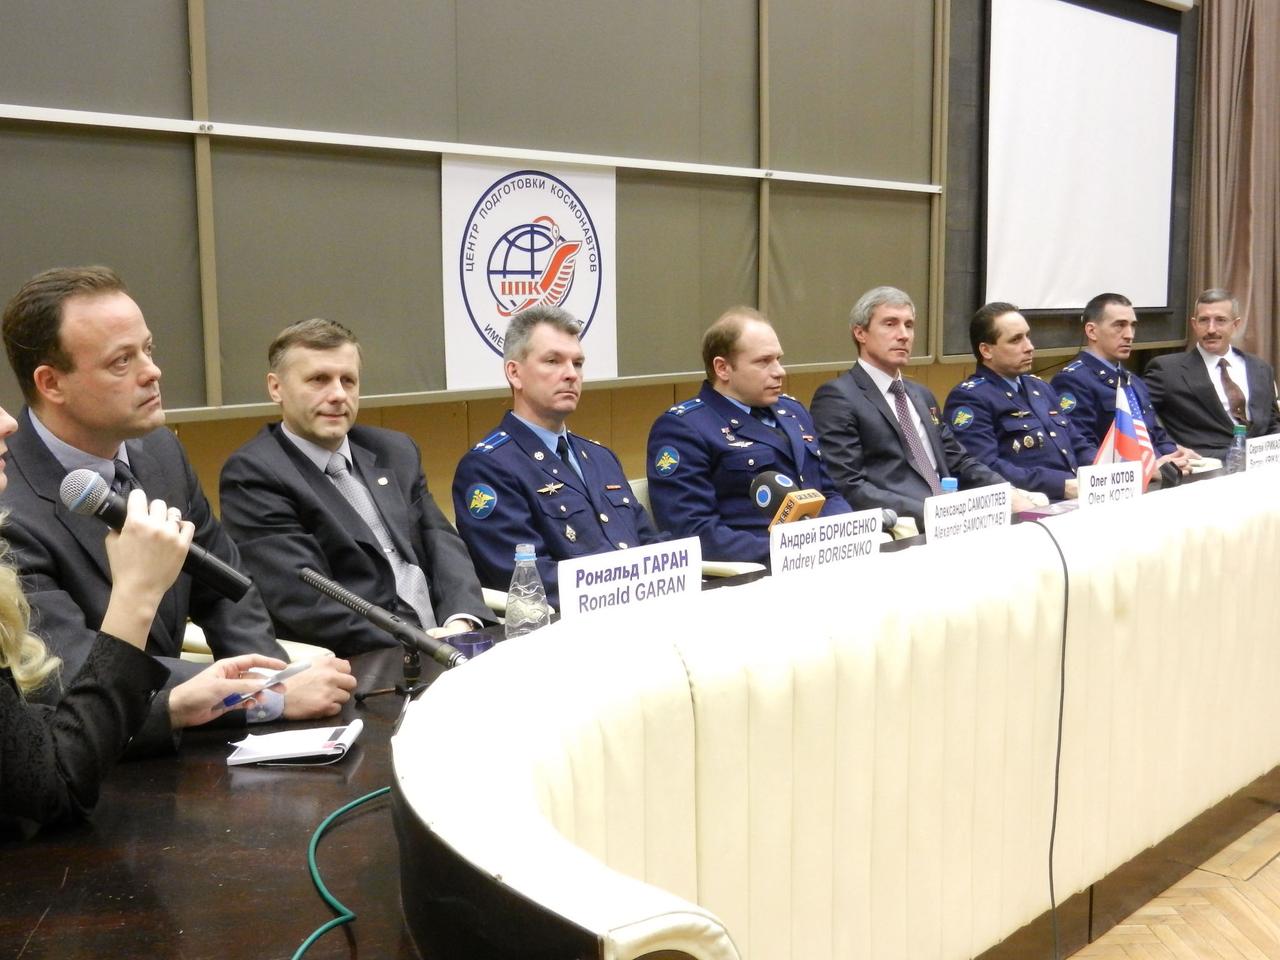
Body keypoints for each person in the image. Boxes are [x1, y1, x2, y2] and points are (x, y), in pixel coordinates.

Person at [0, 266, 354, 754]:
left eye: (148, 348)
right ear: (51, 383)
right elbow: (70, 671)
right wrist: (260, 695)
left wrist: (273, 680)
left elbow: (227, 587)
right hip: (88, 763)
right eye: (122, 361)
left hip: (193, 745)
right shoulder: (9, 505)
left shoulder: (160, 451)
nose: (153, 371)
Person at [0, 402, 291, 834]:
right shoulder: (20, 512)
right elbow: (57, 786)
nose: (8, 422)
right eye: (120, 359)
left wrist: (173, 706)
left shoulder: (161, 451)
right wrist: (135, 595)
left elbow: (22, 734)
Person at [220, 319, 490, 655]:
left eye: (348, 381)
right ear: (276, 388)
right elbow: (305, 601)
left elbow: (442, 543)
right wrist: (419, 643)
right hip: (365, 660)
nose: (337, 395)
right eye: (319, 380)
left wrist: (460, 623)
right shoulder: (255, 473)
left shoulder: (395, 450)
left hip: (448, 642)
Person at [453, 306, 658, 608]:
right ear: (515, 373)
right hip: (568, 626)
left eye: (578, 363)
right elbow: (524, 579)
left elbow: (647, 542)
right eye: (553, 361)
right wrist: (626, 588)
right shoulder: (488, 468)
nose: (571, 375)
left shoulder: (600, 457)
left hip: (644, 608)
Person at [646, 307, 850, 564]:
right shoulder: (684, 428)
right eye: (764, 362)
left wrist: (836, 535)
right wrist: (793, 550)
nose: (779, 371)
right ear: (722, 368)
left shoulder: (792, 411)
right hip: (755, 572)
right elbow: (695, 533)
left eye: (778, 359)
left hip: (822, 559)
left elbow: (830, 493)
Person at [811, 286, 1015, 524]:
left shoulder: (921, 395)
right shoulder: (838, 397)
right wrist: (934, 513)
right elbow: (849, 485)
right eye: (890, 324)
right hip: (903, 529)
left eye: (909, 325)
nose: (904, 335)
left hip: (953, 518)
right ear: (860, 333)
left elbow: (958, 460)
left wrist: (1006, 491)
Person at [943, 302, 1096, 501]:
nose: (1029, 347)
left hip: (1078, 496)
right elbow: (986, 468)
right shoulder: (970, 398)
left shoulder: (1040, 388)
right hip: (1031, 505)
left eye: (1027, 336)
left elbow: (1077, 444)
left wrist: (1102, 472)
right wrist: (1061, 485)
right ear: (986, 351)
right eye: (1016, 340)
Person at [1050, 292, 1195, 473]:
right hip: (1116, 484)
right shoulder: (1073, 380)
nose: (1129, 335)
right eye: (1119, 326)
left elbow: (1154, 435)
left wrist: (1177, 455)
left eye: (1133, 326)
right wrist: (1143, 471)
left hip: (1155, 474)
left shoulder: (1132, 380)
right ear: (1092, 331)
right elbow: (1081, 449)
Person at [1144, 288, 1280, 461]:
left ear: (1235, 325)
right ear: (1194, 324)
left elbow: (1272, 421)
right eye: (1204, 321)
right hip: (1206, 466)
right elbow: (1138, 418)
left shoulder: (1259, 368)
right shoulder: (1167, 370)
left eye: (1220, 320)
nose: (1211, 329)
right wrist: (1169, 448)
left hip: (1263, 462)